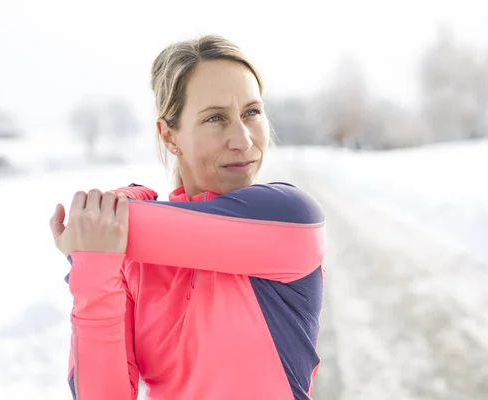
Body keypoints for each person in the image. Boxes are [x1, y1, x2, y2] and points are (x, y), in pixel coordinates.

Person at [49, 34, 326, 400]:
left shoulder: (290, 220)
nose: (243, 140)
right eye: (216, 118)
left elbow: (99, 226)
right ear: (169, 136)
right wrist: (95, 268)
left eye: (251, 112)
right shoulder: (135, 266)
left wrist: (102, 227)